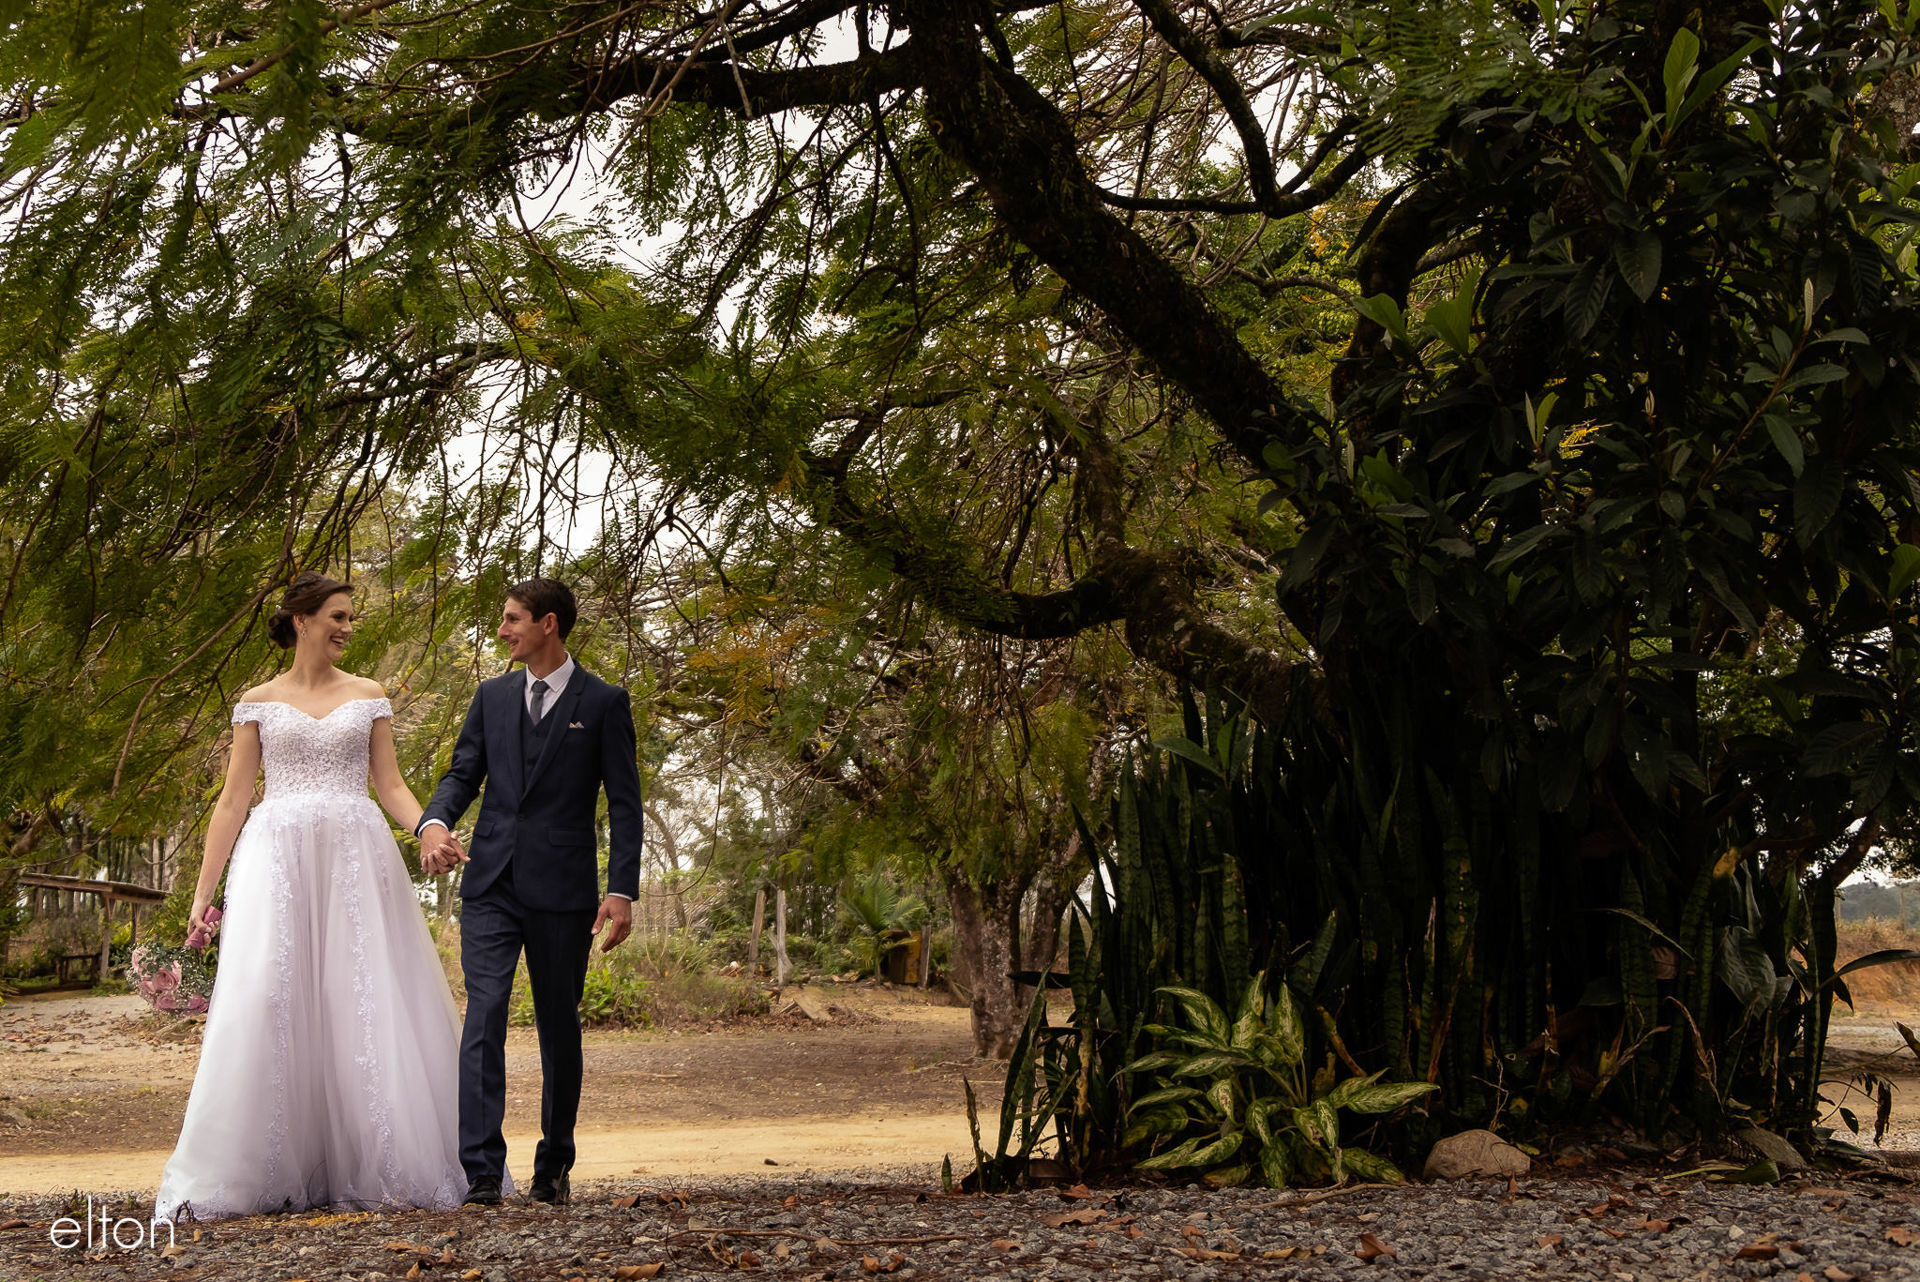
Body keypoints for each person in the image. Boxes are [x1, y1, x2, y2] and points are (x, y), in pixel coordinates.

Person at [155, 572, 466, 1221]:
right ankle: (256, 1169)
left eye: (351, 617)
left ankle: (377, 1163)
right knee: (269, 994)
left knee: (361, 996)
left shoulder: (369, 695)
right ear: (301, 619)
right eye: (338, 615)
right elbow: (234, 801)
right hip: (277, 859)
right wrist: (202, 897)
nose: (348, 627)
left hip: (356, 857)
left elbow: (392, 786)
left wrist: (428, 828)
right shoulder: (257, 701)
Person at [416, 577, 643, 1208]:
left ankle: (553, 1168)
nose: (501, 629)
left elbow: (626, 805)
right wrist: (435, 821)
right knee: (483, 1016)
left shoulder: (603, 702)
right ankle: (482, 1172)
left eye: (512, 619)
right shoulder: (490, 697)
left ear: (548, 624)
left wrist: (621, 890)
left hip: (565, 891)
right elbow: (462, 773)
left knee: (557, 1028)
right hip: (490, 883)